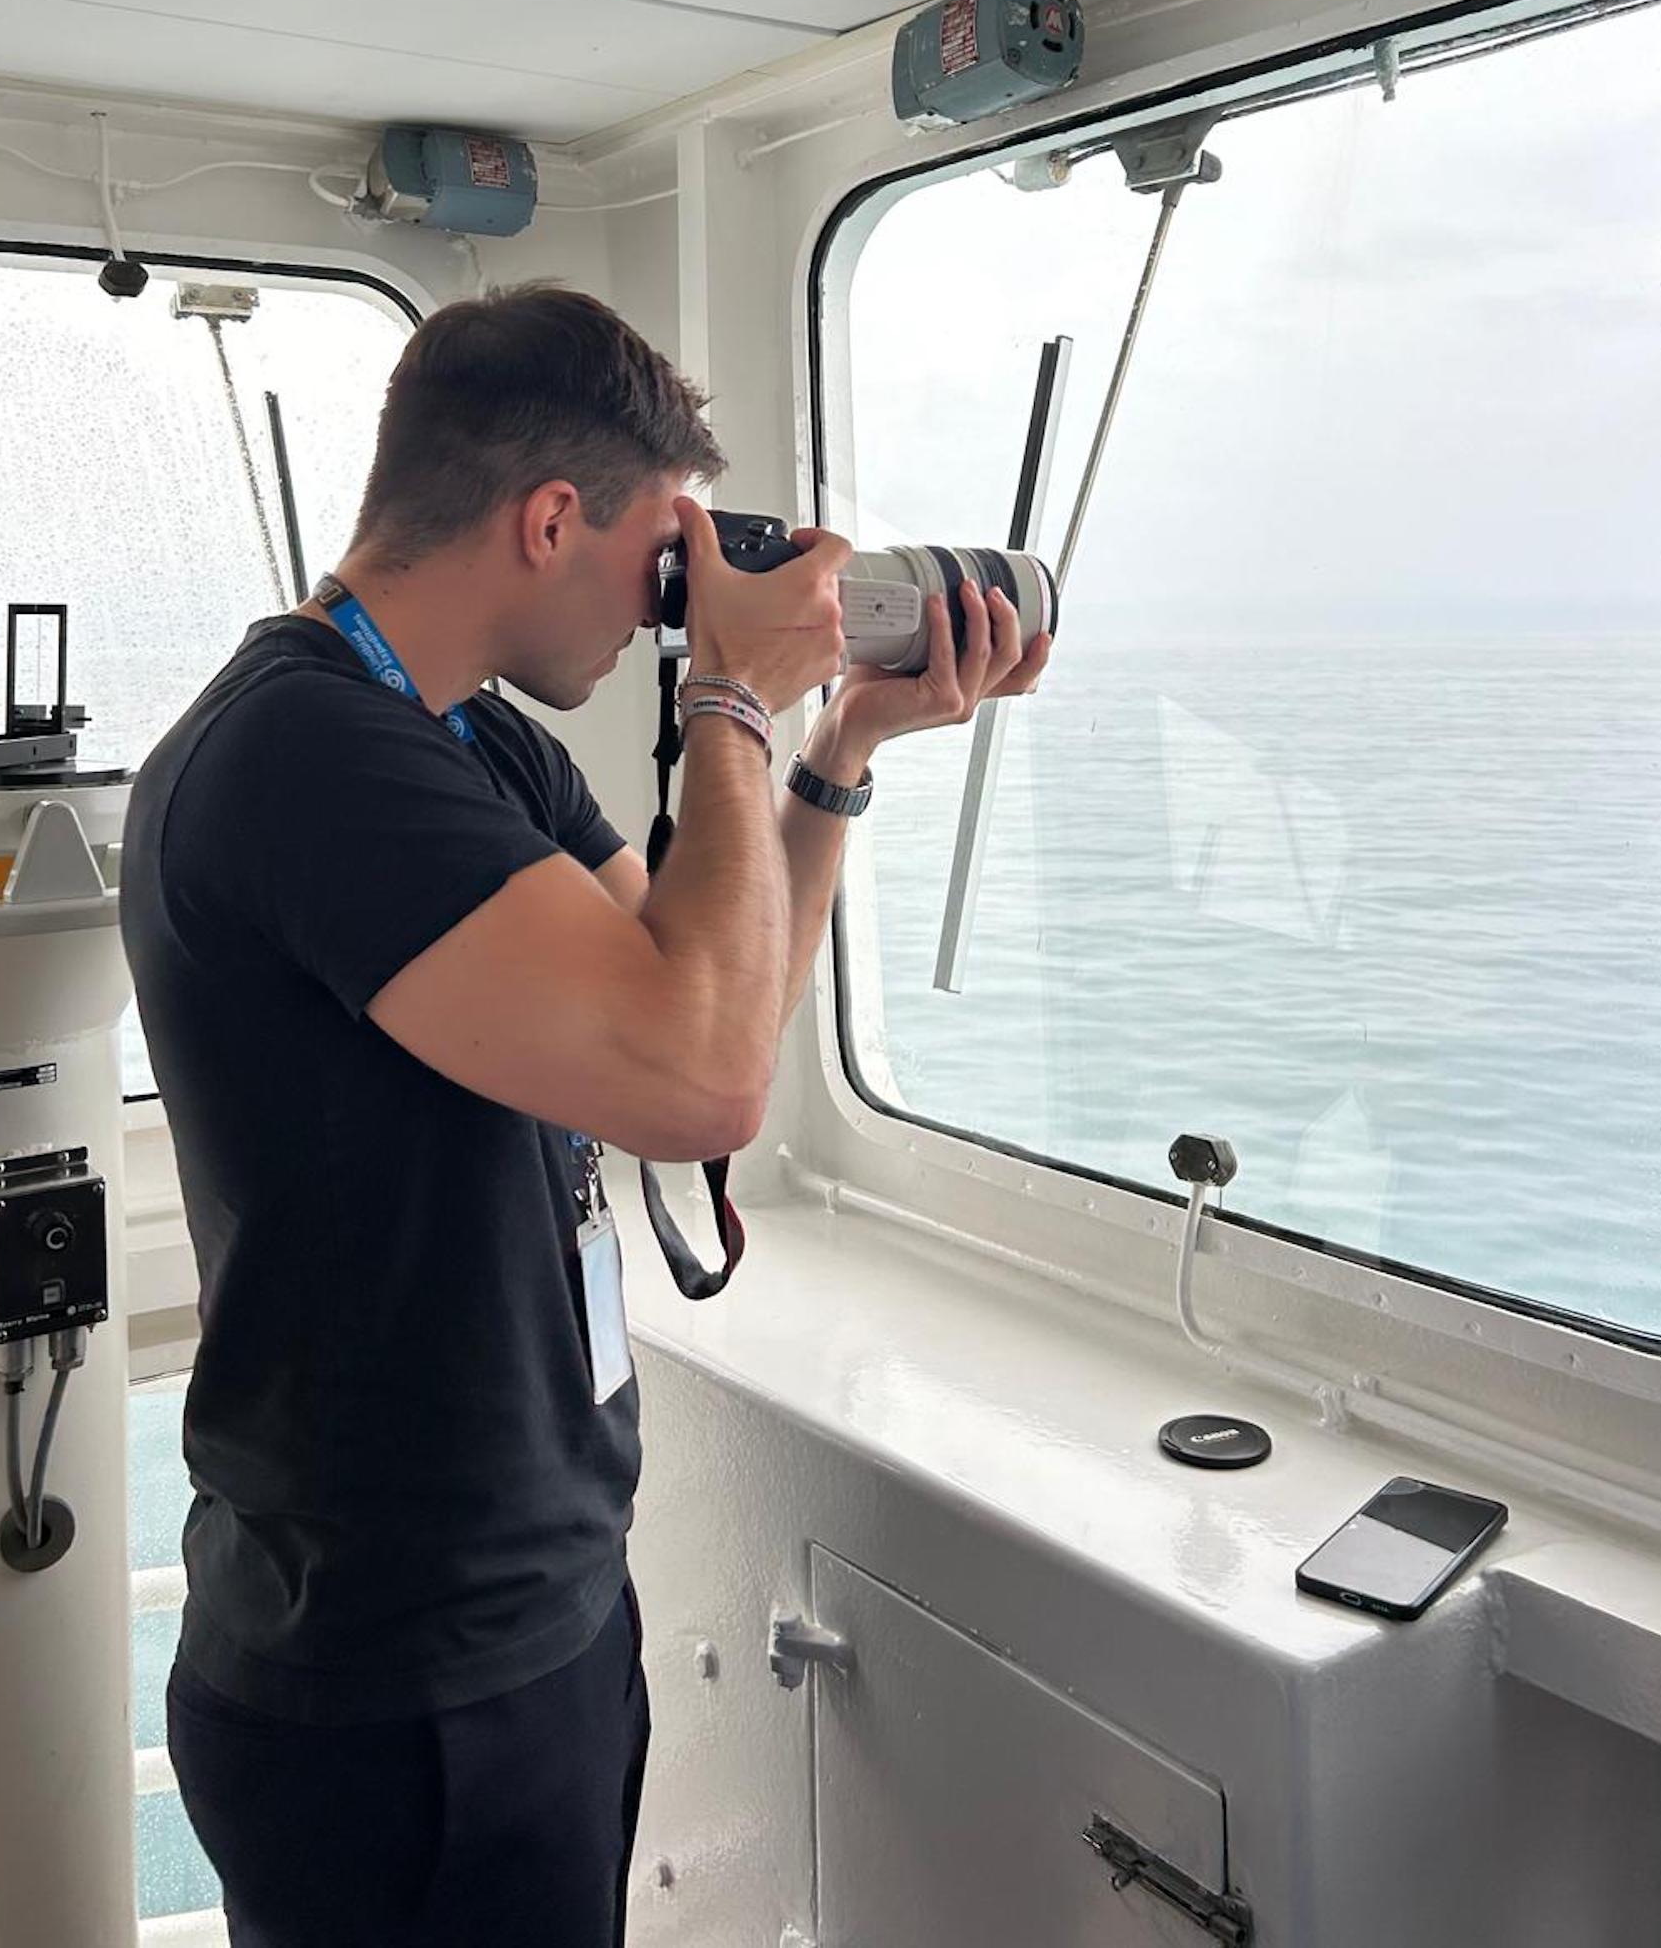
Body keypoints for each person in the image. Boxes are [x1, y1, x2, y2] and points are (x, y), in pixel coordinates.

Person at [120, 281, 1050, 1948]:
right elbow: (704, 1075)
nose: (661, 613)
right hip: (389, 1672)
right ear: (551, 516)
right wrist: (729, 701)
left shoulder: (477, 747)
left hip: (529, 1609)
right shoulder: (302, 757)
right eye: (651, 562)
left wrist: (835, 746)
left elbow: (709, 1043)